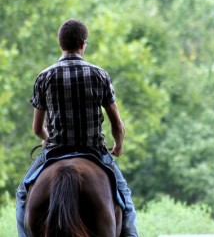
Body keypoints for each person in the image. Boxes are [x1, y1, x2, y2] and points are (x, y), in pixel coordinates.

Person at [16, 19, 138, 237]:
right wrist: (118, 145)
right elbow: (117, 124)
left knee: (23, 195)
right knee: (125, 199)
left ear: (60, 44)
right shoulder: (99, 75)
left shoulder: (44, 77)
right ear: (83, 43)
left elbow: (37, 128)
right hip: (94, 152)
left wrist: (47, 139)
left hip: (55, 151)